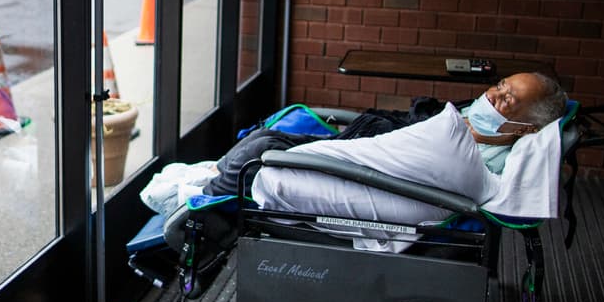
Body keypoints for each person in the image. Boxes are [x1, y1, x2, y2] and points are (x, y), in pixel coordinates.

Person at [201, 71, 567, 198]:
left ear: (528, 128)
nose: (492, 96)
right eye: (500, 85)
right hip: (379, 149)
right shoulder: (483, 117)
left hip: (379, 173)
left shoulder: (494, 158)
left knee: (263, 149)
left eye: (508, 100)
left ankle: (203, 212)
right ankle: (214, 179)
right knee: (272, 132)